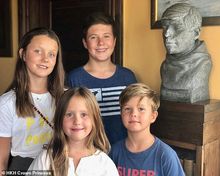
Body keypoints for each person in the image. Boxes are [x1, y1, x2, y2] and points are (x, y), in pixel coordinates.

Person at [0, 27, 65, 173]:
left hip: (58, 166)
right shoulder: (7, 102)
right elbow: (1, 159)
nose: (45, 59)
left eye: (51, 54)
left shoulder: (66, 97)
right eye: (38, 51)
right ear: (23, 54)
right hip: (22, 168)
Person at [67, 12, 137, 145]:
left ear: (114, 41)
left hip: (122, 154)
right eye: (93, 37)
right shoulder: (74, 79)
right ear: (85, 43)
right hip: (88, 154)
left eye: (106, 36)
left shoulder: (127, 77)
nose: (101, 43)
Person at [28, 87, 119, 176]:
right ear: (60, 119)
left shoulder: (105, 164)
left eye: (84, 114)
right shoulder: (46, 159)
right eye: (69, 114)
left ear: (94, 120)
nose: (77, 121)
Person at [109, 83, 185, 176]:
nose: (134, 114)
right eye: (127, 109)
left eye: (141, 109)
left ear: (153, 116)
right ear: (121, 114)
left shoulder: (165, 156)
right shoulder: (114, 152)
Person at [160, 3, 212, 103]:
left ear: (196, 33)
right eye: (165, 27)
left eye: (176, 27)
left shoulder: (202, 64)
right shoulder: (165, 66)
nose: (167, 34)